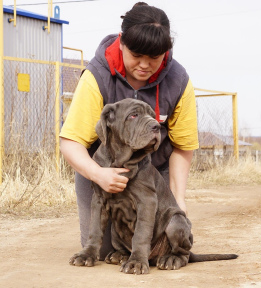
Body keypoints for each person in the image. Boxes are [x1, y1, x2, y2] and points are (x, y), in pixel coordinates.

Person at [59, 2, 199, 259]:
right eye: (136, 56)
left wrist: (178, 198)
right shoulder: (97, 76)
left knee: (153, 240)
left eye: (154, 59)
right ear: (122, 43)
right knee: (102, 251)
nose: (145, 65)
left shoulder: (178, 80)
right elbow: (70, 142)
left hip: (152, 169)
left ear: (165, 52)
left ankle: (161, 251)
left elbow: (183, 146)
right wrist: (98, 174)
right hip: (101, 168)